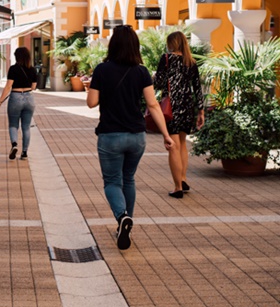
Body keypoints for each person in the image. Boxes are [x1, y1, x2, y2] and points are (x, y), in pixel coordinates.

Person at [87, 25, 178, 250]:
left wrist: (95, 87)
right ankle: (126, 223)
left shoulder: (101, 69)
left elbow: (91, 103)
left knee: (111, 182)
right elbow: (153, 105)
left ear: (113, 44)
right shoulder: (141, 71)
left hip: (110, 135)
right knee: (128, 179)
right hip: (137, 136)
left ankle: (122, 218)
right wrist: (166, 135)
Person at [154, 31, 205, 198]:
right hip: (187, 105)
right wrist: (201, 111)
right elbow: (197, 87)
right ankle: (182, 178)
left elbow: (159, 83)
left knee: (173, 146)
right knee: (182, 143)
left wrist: (156, 76)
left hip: (172, 106)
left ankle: (177, 188)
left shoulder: (166, 59)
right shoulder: (190, 61)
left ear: (171, 43)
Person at [0, 46, 37, 161]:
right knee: (26, 127)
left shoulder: (13, 69)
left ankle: (14, 144)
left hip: (15, 97)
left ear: (17, 57)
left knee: (13, 124)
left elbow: (8, 86)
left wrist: (0, 101)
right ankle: (24, 153)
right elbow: (33, 87)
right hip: (29, 98)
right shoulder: (33, 69)